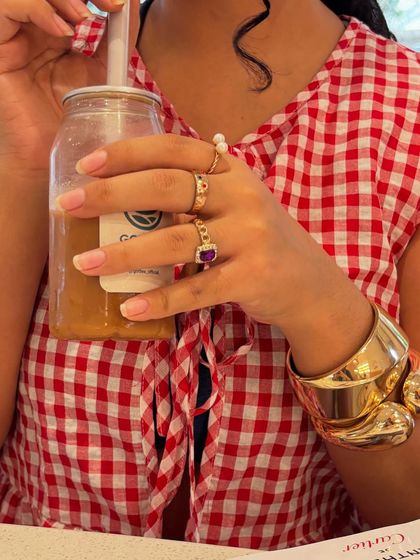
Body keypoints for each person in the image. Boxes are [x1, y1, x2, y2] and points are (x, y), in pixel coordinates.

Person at [0, 0, 419, 550]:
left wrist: (321, 309)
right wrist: (25, 166)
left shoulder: (406, 112)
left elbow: (407, 510)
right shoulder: (37, 63)